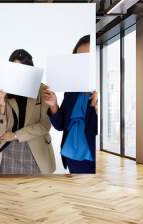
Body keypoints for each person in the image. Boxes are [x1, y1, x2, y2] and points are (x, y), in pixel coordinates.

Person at [0, 49, 56, 174]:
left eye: (23, 68)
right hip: (9, 149)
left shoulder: (43, 90)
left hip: (35, 148)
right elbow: (0, 130)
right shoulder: (4, 91)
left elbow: (45, 126)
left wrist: (16, 135)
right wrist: (1, 105)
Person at [42, 35, 98, 174]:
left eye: (88, 57)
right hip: (72, 155)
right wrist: (53, 105)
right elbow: (60, 125)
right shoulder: (72, 88)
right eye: (80, 59)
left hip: (94, 156)